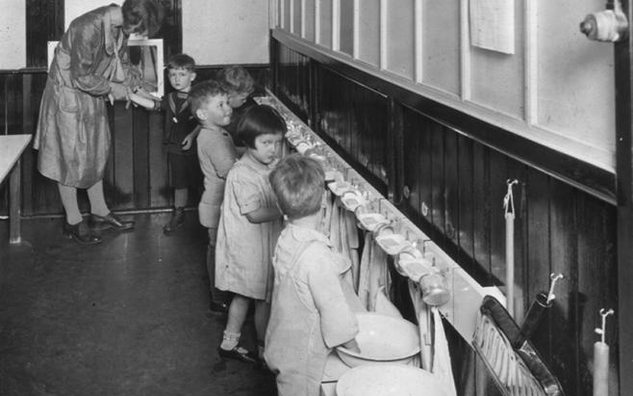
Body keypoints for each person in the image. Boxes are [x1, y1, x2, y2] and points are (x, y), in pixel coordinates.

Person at [33, 0, 165, 244]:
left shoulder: (118, 25)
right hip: (68, 96)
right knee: (69, 158)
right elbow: (81, 76)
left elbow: (123, 63)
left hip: (92, 94)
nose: (136, 34)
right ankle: (73, 221)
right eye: (138, 30)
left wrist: (138, 88)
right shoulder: (87, 27)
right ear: (132, 19)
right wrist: (119, 90)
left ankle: (99, 212)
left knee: (96, 150)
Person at [265, 154, 360, 396]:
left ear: (280, 208)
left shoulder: (287, 237)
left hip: (282, 343)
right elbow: (335, 313)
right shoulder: (316, 255)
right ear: (326, 200)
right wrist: (356, 351)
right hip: (303, 356)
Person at [215, 105, 285, 363]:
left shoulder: (262, 165)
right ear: (248, 141)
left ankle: (229, 342)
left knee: (244, 295)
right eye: (266, 143)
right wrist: (285, 209)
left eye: (277, 143)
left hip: (255, 246)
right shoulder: (243, 173)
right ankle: (266, 351)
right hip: (250, 249)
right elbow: (254, 214)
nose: (273, 149)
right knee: (262, 299)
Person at [130, 53, 202, 235]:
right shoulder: (170, 98)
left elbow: (206, 121)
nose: (177, 79)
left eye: (182, 74)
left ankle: (208, 215)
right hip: (175, 147)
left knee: (203, 181)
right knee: (179, 182)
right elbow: (154, 105)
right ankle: (179, 214)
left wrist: (193, 136)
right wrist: (132, 95)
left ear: (192, 76)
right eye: (173, 75)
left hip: (198, 148)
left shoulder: (199, 97)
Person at [188, 80, 238, 315]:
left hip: (216, 204)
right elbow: (229, 170)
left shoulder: (216, 132)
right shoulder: (213, 138)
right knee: (217, 251)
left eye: (227, 102)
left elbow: (231, 154)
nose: (228, 108)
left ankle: (221, 295)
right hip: (216, 206)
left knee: (218, 250)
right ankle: (218, 298)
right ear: (202, 114)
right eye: (220, 105)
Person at [216, 66, 257, 146]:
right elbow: (228, 149)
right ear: (229, 95)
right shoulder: (223, 121)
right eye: (243, 99)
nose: (245, 101)